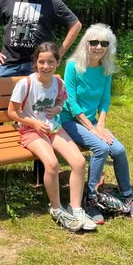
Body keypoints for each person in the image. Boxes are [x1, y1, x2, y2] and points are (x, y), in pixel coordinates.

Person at [7, 42, 96, 232]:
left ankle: (76, 208)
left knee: (79, 162)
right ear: (35, 62)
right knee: (53, 164)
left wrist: (57, 108)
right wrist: (34, 123)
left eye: (50, 62)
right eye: (41, 62)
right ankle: (57, 208)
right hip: (31, 131)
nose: (46, 66)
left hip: (54, 128)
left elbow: (62, 100)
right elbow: (12, 113)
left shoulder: (58, 83)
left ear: (58, 63)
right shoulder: (26, 84)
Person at [61, 24, 133, 223]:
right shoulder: (73, 66)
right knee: (101, 148)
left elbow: (105, 100)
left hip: (91, 121)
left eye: (104, 43)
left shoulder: (106, 69)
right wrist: (92, 129)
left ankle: (127, 196)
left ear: (109, 47)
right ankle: (90, 198)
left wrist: (101, 124)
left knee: (119, 150)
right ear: (86, 43)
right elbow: (71, 102)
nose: (98, 47)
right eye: (94, 42)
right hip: (69, 120)